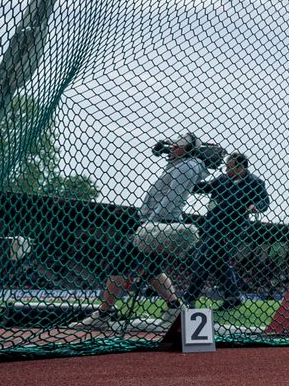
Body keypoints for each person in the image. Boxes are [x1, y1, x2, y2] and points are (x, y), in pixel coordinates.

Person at [73, 133, 212, 332]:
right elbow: (163, 153)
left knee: (120, 262)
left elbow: (172, 198)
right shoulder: (184, 163)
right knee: (152, 270)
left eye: (177, 145)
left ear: (187, 151)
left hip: (159, 222)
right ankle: (175, 308)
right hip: (161, 221)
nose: (172, 147)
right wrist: (165, 148)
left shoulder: (186, 166)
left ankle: (103, 314)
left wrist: (149, 223)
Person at [184, 151, 269, 311]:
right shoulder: (222, 179)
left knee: (203, 259)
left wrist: (256, 206)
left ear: (240, 167)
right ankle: (233, 296)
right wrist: (187, 181)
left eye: (229, 167)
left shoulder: (255, 182)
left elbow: (264, 200)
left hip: (233, 229)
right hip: (212, 225)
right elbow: (205, 187)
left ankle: (190, 298)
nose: (225, 170)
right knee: (218, 263)